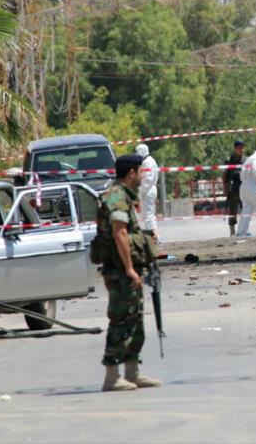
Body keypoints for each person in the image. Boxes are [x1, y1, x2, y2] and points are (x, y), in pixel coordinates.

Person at [96, 154, 162, 392]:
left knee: (134, 320)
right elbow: (119, 233)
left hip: (125, 270)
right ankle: (112, 376)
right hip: (119, 271)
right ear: (132, 173)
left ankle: (132, 373)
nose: (143, 177)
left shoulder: (124, 196)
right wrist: (129, 269)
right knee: (120, 320)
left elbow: (127, 232)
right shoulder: (116, 197)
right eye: (140, 172)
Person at [134, 144, 159, 243]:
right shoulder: (147, 161)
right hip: (147, 191)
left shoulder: (148, 162)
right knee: (146, 216)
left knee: (149, 216)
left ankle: (154, 238)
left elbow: (147, 180)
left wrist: (139, 192)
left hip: (148, 191)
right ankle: (152, 238)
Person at [222, 141, 245, 236]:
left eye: (242, 148)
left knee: (245, 210)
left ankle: (243, 230)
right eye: (239, 148)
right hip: (233, 189)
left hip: (243, 188)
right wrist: (225, 187)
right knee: (232, 211)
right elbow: (224, 174)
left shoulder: (245, 160)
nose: (241, 150)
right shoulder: (229, 160)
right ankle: (232, 231)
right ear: (235, 148)